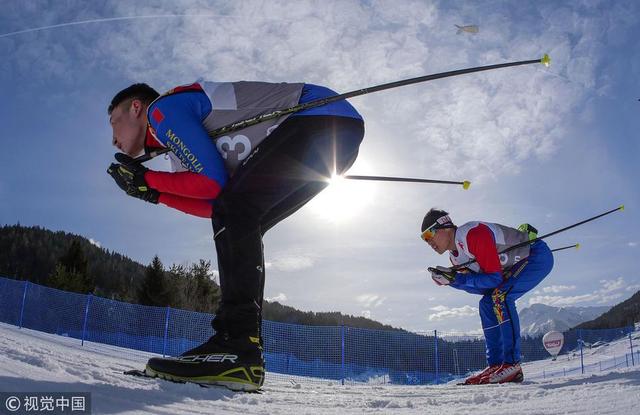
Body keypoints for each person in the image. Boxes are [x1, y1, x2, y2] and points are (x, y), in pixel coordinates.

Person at [107, 80, 364, 391]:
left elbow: (213, 183)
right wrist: (153, 193)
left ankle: (236, 345)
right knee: (241, 216)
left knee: (239, 209)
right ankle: (240, 348)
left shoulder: (162, 111)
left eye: (113, 122)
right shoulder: (175, 145)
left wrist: (149, 180)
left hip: (316, 117)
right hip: (331, 128)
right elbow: (215, 207)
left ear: (136, 108)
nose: (113, 140)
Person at [420, 209, 554, 384]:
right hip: (512, 268)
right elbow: (485, 288)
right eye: (424, 238)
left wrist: (457, 279)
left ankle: (512, 364)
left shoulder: (472, 234)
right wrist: (452, 281)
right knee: (486, 303)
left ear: (445, 226)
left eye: (429, 234)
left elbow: (494, 279)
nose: (428, 241)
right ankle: (496, 365)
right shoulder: (455, 259)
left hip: (534, 256)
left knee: (501, 298)